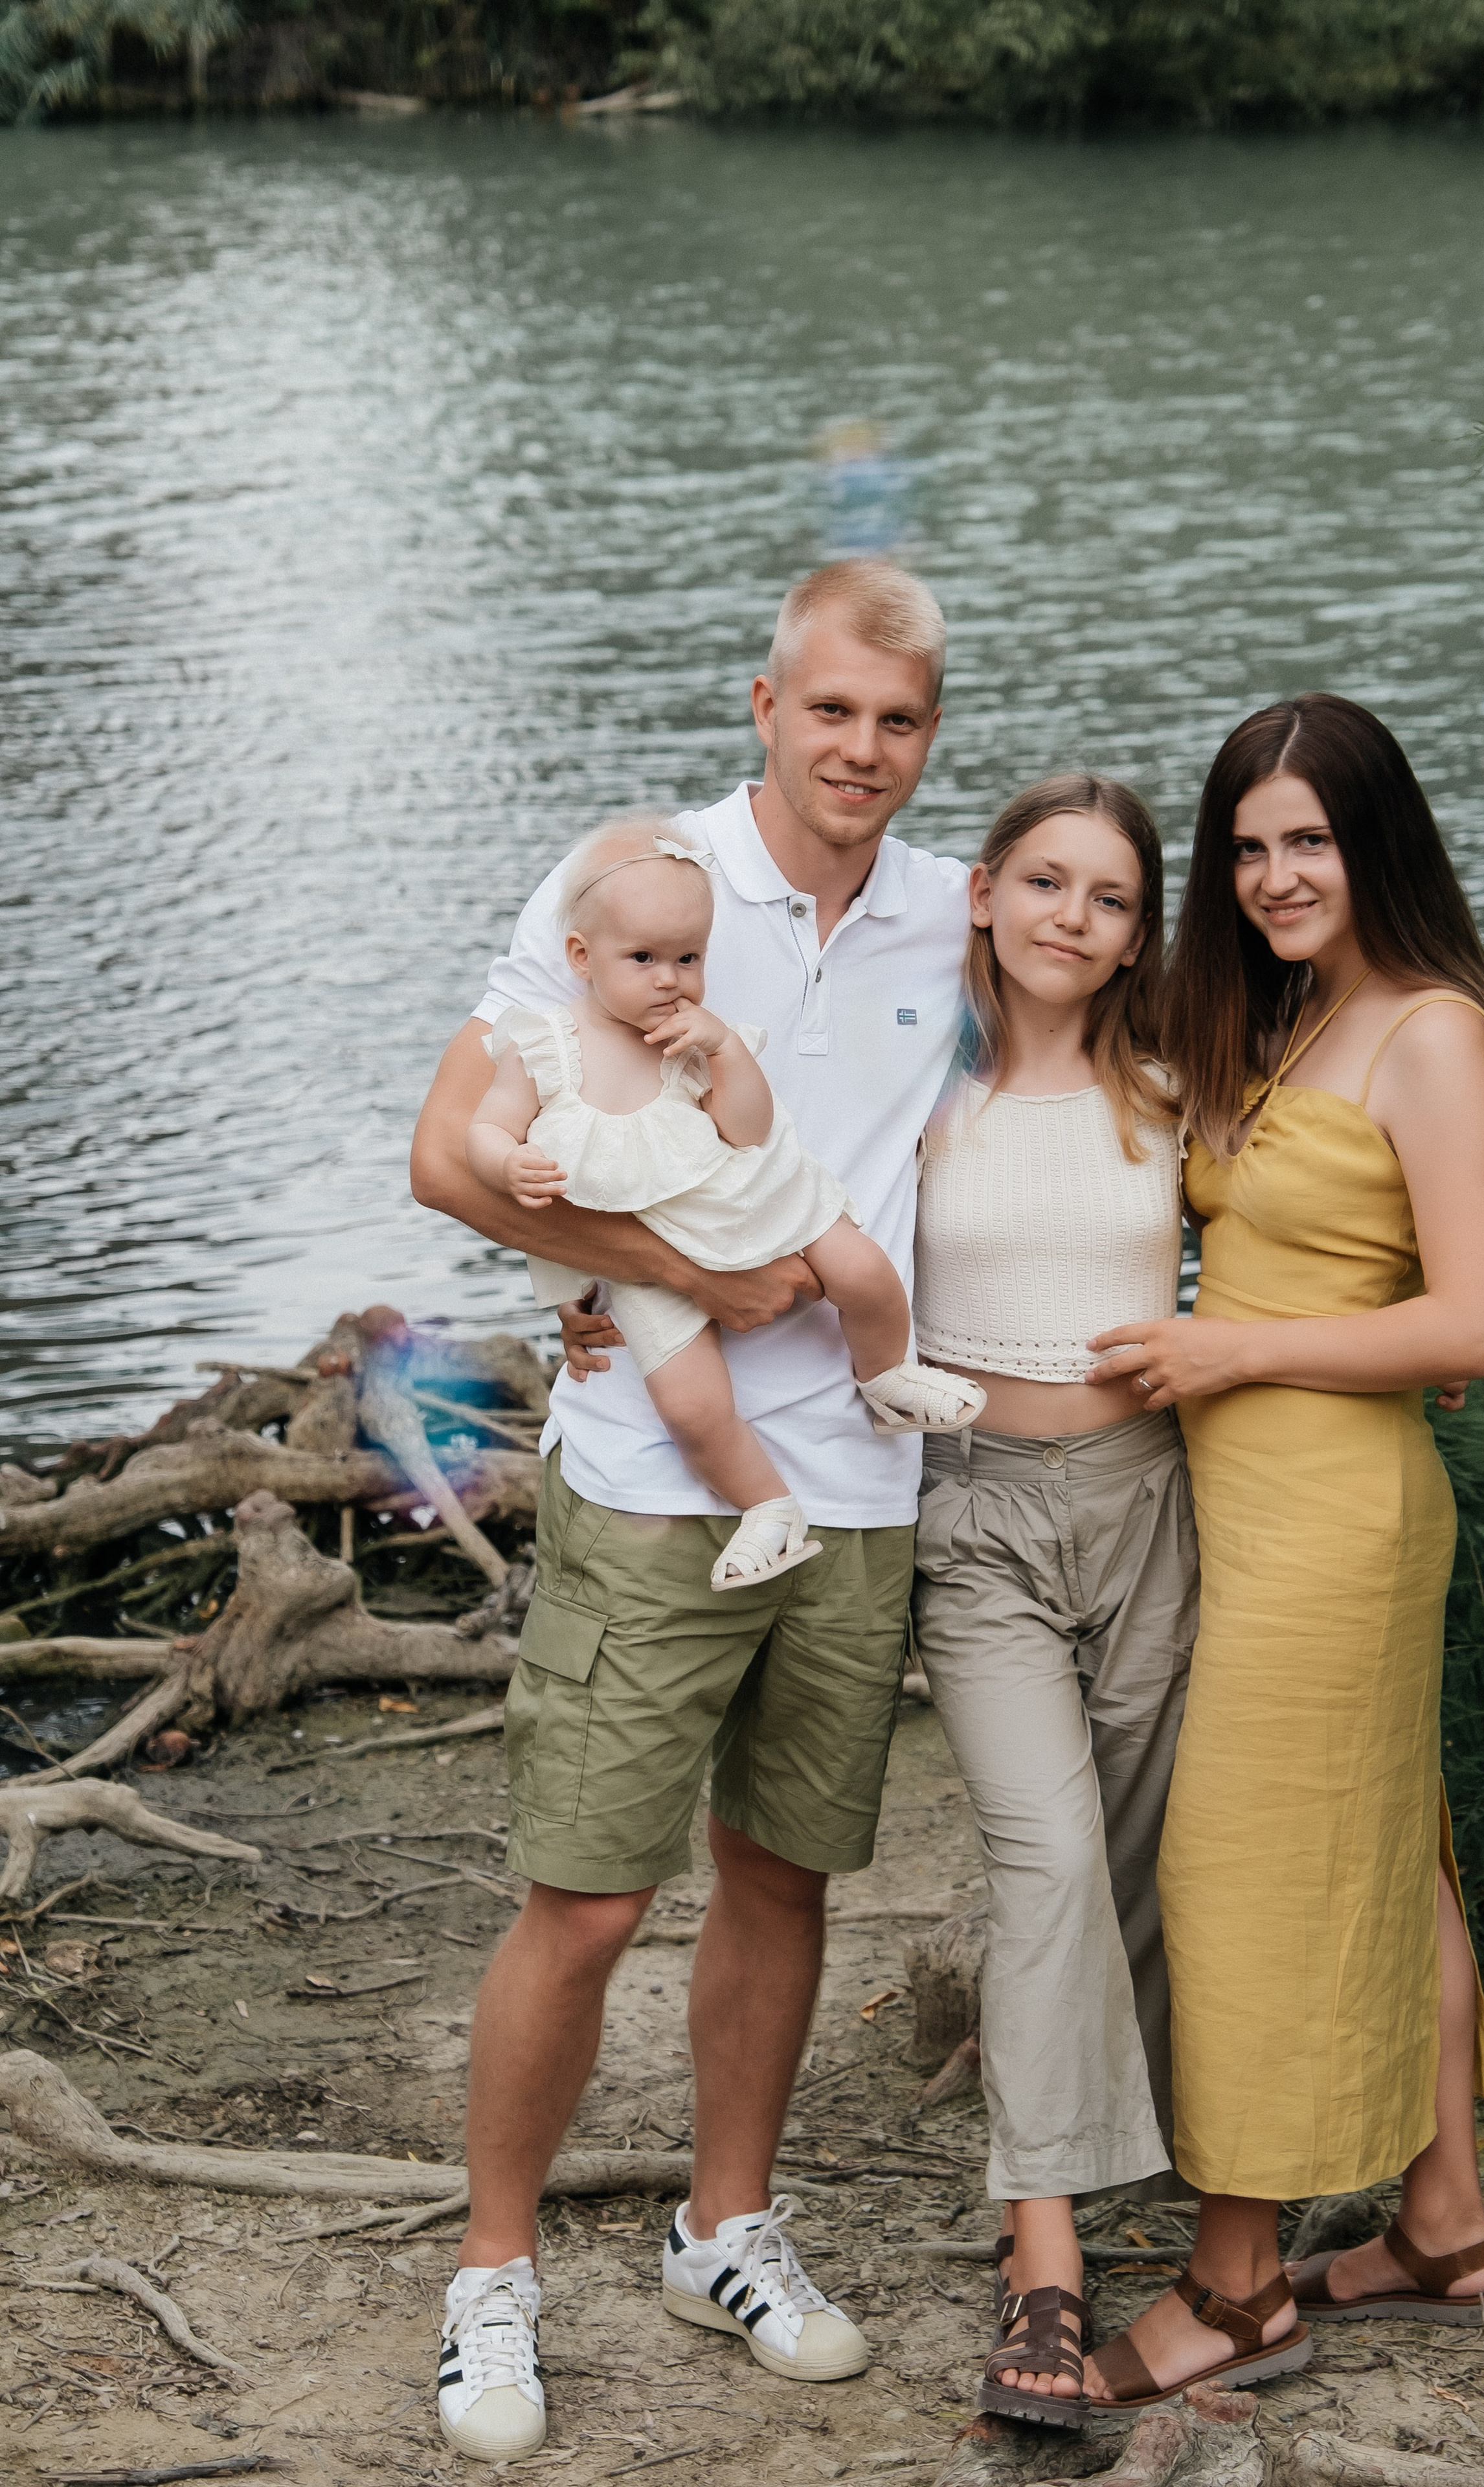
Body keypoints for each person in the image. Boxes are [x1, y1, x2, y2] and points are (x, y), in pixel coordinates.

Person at [409, 558, 972, 2464]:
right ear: (764, 703)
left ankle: (721, 2227)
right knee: (580, 1896)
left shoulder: (946, 914)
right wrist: (665, 1274)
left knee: (785, 1874)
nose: (863, 751)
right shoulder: (635, 888)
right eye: (831, 711)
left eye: (898, 721)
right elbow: (450, 1148)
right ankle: (493, 2271)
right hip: (655, 1472)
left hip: (857, 1480)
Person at [1086, 694, 1484, 2408]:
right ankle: (1444, 2227)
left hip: (1340, 1514)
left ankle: (1240, 2281)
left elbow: (1476, 1324)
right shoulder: (1287, 1020)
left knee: (1245, 1874)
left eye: (1310, 842)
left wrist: (1231, 1350)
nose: (1274, 876)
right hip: (1250, 1502)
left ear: (1378, 843)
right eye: (1248, 847)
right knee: (1391, 1861)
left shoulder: (1430, 1033)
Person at [908, 775, 1196, 2428]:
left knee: (1142, 1852)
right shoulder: (910, 1085)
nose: (1069, 918)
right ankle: (1045, 2264)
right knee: (1047, 1849)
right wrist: (602, 1307)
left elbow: (1301, 1228)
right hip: (977, 1521)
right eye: (1042, 882)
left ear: (1136, 929)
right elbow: (750, 1191)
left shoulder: (1172, 1083)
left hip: (1148, 1496)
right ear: (980, 891)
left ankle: (1139, 2144)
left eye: (1105, 896)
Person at [466, 816, 984, 1592]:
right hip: (649, 1262)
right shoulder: (542, 1044)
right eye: (642, 959)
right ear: (581, 957)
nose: (668, 979)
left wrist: (726, 1050)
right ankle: (768, 1510)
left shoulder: (691, 1039)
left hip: (742, 1203)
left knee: (864, 1270)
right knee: (691, 1406)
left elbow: (746, 1130)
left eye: (688, 959)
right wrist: (509, 1162)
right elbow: (481, 1130)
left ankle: (885, 1378)